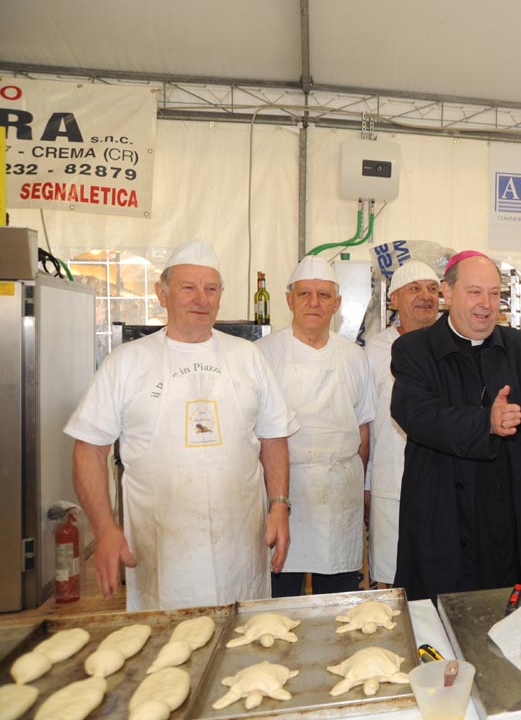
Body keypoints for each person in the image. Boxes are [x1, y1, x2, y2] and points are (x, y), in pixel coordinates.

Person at [66, 240, 296, 611]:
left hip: (240, 550)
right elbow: (88, 451)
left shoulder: (247, 357)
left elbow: (274, 437)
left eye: (211, 289)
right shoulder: (127, 362)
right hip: (163, 556)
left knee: (244, 635)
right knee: (169, 642)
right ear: (162, 293)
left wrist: (279, 505)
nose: (201, 299)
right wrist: (105, 528)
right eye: (188, 287)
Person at [391, 251, 521, 601]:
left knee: (514, 609)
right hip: (444, 509)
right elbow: (414, 412)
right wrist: (484, 423)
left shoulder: (518, 346)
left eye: (494, 294)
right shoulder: (414, 349)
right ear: (448, 292)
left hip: (510, 509)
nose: (486, 304)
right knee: (442, 615)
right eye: (475, 292)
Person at [256, 256, 374, 596]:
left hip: (339, 494)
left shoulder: (354, 356)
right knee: (279, 598)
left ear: (337, 304)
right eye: (304, 294)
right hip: (283, 493)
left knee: (337, 598)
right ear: (289, 300)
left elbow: (363, 429)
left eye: (324, 295)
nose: (314, 302)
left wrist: (357, 484)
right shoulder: (262, 354)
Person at [363, 259, 440, 587]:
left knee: (439, 571)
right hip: (389, 482)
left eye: (433, 289)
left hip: (443, 483)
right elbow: (366, 421)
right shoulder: (375, 350)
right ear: (394, 298)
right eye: (415, 289)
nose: (426, 296)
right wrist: (366, 484)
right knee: (392, 576)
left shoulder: (451, 343)